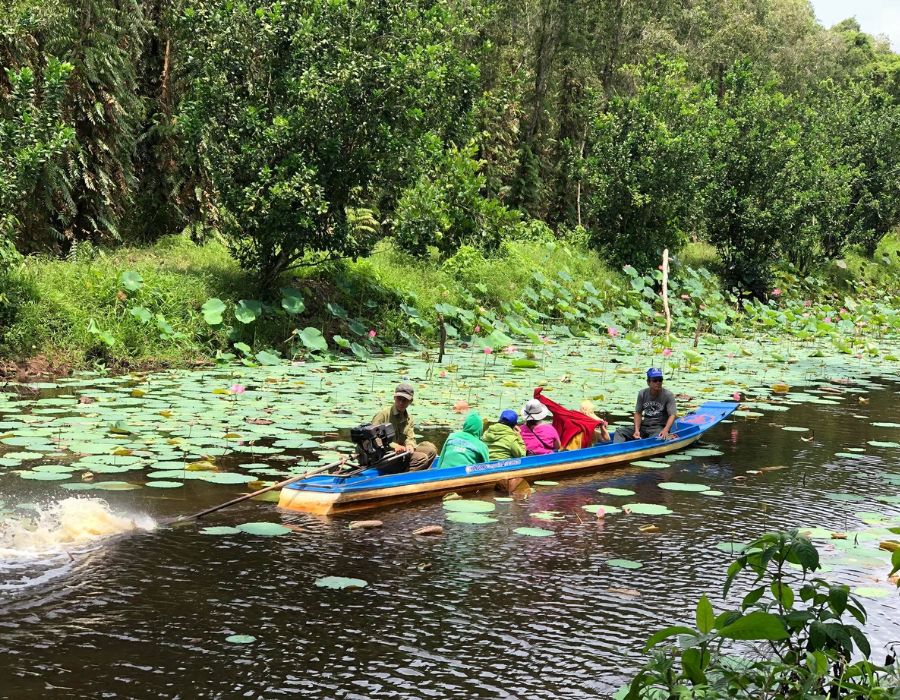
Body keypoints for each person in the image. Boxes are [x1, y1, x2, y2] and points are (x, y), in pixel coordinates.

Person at [371, 382, 438, 471]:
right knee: (421, 458)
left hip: (402, 453)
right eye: (399, 399)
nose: (401, 403)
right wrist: (395, 446)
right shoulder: (383, 415)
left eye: (405, 400)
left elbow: (410, 437)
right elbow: (373, 439)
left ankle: (414, 471)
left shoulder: (409, 418)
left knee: (431, 451)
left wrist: (410, 445)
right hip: (384, 456)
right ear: (394, 398)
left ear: (410, 401)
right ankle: (404, 476)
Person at [613, 368, 677, 443]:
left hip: (658, 428)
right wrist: (637, 430)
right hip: (644, 426)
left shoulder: (668, 395)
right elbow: (638, 413)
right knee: (619, 432)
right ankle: (618, 450)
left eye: (660, 380)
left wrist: (665, 430)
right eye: (655, 380)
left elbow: (672, 415)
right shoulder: (642, 393)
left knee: (654, 439)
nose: (658, 382)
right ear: (648, 382)